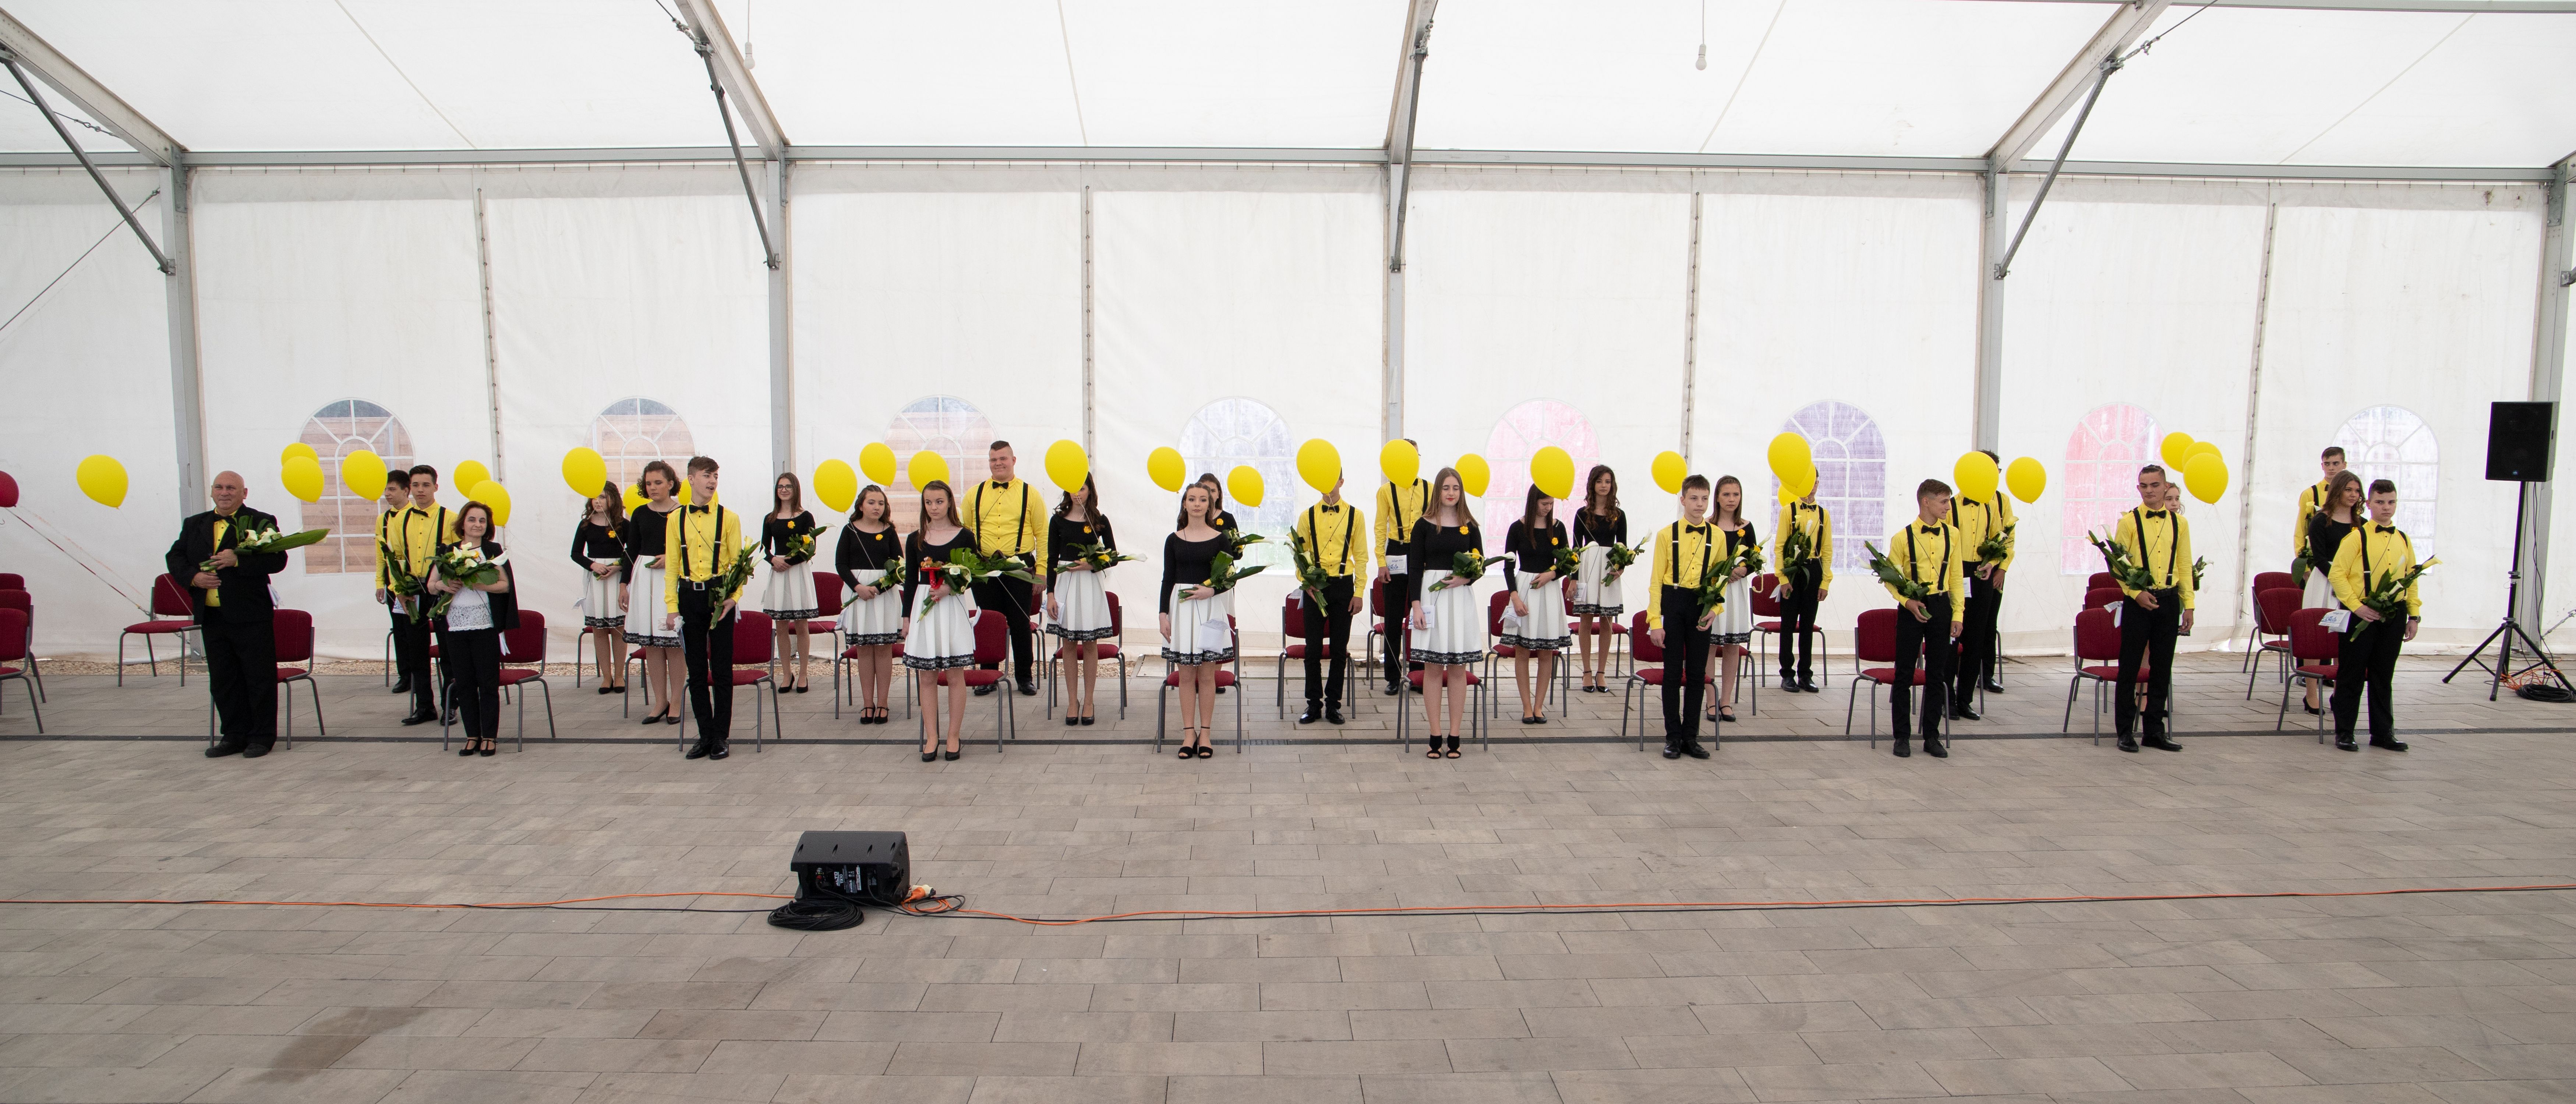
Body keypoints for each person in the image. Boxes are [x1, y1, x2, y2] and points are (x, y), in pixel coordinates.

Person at [167, 471, 288, 759]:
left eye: (231, 488)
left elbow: (278, 560)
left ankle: (261, 737)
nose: (225, 493)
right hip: (212, 615)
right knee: (224, 680)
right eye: (219, 487)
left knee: (258, 678)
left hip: (250, 614)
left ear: (244, 493)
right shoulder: (194, 524)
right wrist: (194, 578)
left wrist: (239, 561)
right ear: (212, 492)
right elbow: (175, 557)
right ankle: (233, 736)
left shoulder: (261, 521)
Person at [2326, 479, 2420, 753]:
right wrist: (2357, 607)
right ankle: (2345, 732)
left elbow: (2411, 578)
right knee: (2351, 674)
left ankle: (2382, 733)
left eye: (2391, 502)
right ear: (2368, 504)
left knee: (2383, 676)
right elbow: (2337, 575)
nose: (2386, 508)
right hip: (2361, 613)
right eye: (2380, 502)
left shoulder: (2404, 539)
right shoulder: (2356, 537)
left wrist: (2413, 616)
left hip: (2394, 614)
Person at [664, 456, 747, 761]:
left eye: (715, 477)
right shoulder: (675, 519)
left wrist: (733, 597)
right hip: (689, 597)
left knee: (722, 669)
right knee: (697, 671)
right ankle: (705, 735)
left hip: (719, 597)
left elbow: (738, 565)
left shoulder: (729, 518)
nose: (712, 482)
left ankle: (721, 736)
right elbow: (672, 566)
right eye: (707, 476)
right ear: (691, 479)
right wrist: (672, 607)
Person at [2112, 464, 2193, 754]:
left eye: (2155, 485)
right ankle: (2124, 731)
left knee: (2162, 667)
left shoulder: (2179, 524)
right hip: (2138, 602)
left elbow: (2184, 564)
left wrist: (2188, 605)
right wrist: (2136, 593)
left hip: (2168, 600)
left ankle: (2154, 731)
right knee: (2130, 667)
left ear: (2165, 487)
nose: (2149, 491)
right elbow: (2117, 564)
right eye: (2144, 486)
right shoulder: (2129, 522)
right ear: (2138, 488)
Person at [1884, 479, 1965, 759]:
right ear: (1926, 502)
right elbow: (1890, 578)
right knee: (1904, 673)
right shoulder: (1901, 538)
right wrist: (1907, 601)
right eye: (1944, 502)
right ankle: (1902, 736)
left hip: (1941, 605)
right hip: (1911, 608)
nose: (1948, 507)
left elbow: (1956, 577)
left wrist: (1958, 614)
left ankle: (1932, 736)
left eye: (1949, 501)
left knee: (1937, 674)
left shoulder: (1953, 535)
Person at [429, 500, 517, 757]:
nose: (477, 525)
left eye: (482, 521)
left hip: (485, 626)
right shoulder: (448, 552)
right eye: (472, 519)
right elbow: (432, 584)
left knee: (487, 683)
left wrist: (480, 584)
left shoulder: (493, 551)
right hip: (456, 627)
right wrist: (444, 586)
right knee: (464, 683)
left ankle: (489, 736)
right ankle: (472, 736)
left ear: (487, 526)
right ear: (463, 523)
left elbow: (505, 585)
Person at [1407, 468, 1485, 758]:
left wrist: (1465, 579)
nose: (1451, 493)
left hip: (1460, 601)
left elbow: (1480, 565)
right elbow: (1414, 568)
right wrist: (1416, 605)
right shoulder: (1422, 525)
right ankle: (1434, 734)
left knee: (1457, 669)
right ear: (1437, 491)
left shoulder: (1470, 526)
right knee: (1432, 668)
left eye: (1456, 488)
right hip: (1431, 598)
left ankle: (1455, 734)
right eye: (1446, 488)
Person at [904, 481, 980, 760]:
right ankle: (932, 737)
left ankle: (953, 736)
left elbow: (973, 573)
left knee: (955, 675)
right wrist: (906, 618)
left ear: (949, 503)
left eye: (939, 502)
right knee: (927, 676)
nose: (934, 507)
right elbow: (910, 580)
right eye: (928, 502)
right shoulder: (915, 539)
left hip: (952, 607)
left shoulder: (965, 536)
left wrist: (950, 588)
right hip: (924, 608)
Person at [1160, 482, 1233, 759]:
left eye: (1203, 500)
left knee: (1207, 675)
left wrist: (1211, 591)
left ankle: (1206, 734)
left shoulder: (1220, 539)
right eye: (1192, 499)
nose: (1197, 504)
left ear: (1210, 504)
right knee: (1186, 676)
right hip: (1182, 611)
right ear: (1185, 504)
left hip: (1210, 609)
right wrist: (1163, 615)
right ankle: (1188, 733)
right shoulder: (1173, 540)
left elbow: (1229, 579)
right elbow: (1168, 579)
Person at [1647, 475, 1718, 760]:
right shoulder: (1666, 535)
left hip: (1701, 606)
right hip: (1673, 602)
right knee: (1673, 673)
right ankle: (1673, 737)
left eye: (1704, 499)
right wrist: (1655, 622)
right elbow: (1655, 582)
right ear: (1683, 500)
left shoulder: (1718, 537)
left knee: (1697, 674)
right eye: (1694, 498)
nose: (1699, 504)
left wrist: (1715, 609)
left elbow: (1720, 580)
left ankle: (1691, 737)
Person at [969, 441, 1047, 698]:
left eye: (1003, 459)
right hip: (985, 568)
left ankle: (1024, 677)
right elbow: (965, 533)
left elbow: (1043, 535)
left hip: (1019, 567)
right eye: (994, 460)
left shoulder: (1030, 494)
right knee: (988, 622)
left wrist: (1042, 572)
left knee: (1019, 623)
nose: (998, 463)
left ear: (1014, 460)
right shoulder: (974, 494)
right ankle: (988, 676)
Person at [384, 464, 460, 726]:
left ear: (436, 487)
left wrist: (447, 586)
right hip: (412, 590)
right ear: (410, 488)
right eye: (416, 485)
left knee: (448, 650)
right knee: (416, 652)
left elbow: (459, 556)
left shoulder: (450, 518)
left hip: (440, 591)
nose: (420, 490)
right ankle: (424, 706)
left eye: (426, 485)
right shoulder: (399, 519)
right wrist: (399, 591)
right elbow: (394, 558)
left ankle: (451, 705)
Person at [1292, 473, 1370, 725]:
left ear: (1341, 482)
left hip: (1343, 586)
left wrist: (1359, 592)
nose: (1328, 484)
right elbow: (1299, 556)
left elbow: (1362, 557)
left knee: (1339, 650)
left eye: (1333, 479)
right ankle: (1313, 704)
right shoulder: (1307, 516)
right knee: (1312, 649)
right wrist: (1307, 582)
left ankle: (1333, 705)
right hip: (1315, 587)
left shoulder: (1356, 516)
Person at [1045, 474, 1118, 726]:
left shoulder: (1100, 520)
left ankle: (1089, 700)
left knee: (1090, 643)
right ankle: (1072, 701)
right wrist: (1050, 594)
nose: (1078, 493)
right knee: (1068, 643)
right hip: (1065, 583)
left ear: (1090, 490)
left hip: (1089, 583)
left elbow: (1113, 556)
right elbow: (1051, 558)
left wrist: (1092, 565)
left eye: (1083, 488)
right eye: (1074, 488)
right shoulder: (1057, 520)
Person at [1948, 450, 2017, 716]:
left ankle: (1965, 699)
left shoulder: (1993, 506)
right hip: (1957, 574)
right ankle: (1946, 698)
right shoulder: (1951, 506)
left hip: (1982, 573)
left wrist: (1994, 562)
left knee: (1977, 638)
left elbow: (2002, 539)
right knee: (1953, 638)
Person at [835, 484, 905, 726]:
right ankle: (867, 703)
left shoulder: (889, 531)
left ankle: (883, 702)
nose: (877, 507)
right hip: (858, 594)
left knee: (884, 649)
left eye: (881, 503)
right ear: (861, 505)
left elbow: (899, 567)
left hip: (883, 596)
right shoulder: (849, 530)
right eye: (872, 502)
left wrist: (878, 588)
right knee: (864, 650)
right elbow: (841, 564)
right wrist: (858, 587)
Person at [1499, 485, 1570, 725]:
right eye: (1544, 504)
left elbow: (1568, 561)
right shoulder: (1517, 528)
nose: (1548, 508)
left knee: (1546, 652)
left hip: (1549, 590)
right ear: (1533, 502)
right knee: (1522, 651)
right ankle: (1527, 707)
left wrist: (1553, 574)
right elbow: (1508, 566)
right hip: (1524, 589)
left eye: (1551, 504)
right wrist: (1515, 597)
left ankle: (1539, 706)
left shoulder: (1558, 527)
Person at [2298, 470, 2365, 714]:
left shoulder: (2362, 524)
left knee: (2343, 640)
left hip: (2351, 585)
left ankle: (2340, 694)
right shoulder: (2321, 520)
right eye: (2349, 490)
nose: (2353, 495)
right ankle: (2311, 694)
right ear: (2337, 490)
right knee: (2317, 639)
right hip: (2325, 583)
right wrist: (2339, 580)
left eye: (2357, 491)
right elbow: (2319, 559)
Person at [625, 461, 686, 727]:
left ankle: (677, 701)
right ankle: (659, 701)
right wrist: (624, 585)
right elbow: (631, 551)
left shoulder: (683, 513)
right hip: (645, 578)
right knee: (651, 643)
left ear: (671, 484)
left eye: (658, 483)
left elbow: (691, 549)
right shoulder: (639, 513)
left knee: (672, 642)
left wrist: (670, 557)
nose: (652, 488)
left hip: (672, 578)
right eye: (648, 483)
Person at [1374, 442, 1431, 695]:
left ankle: (1419, 674)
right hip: (1396, 551)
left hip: (1422, 553)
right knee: (1394, 617)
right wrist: (1381, 562)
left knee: (1420, 615)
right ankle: (1393, 677)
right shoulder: (1386, 491)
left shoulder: (1430, 488)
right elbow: (1380, 527)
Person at [1570, 465, 1628, 694]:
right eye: (1600, 481)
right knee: (1585, 620)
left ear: (1613, 485)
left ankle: (1601, 672)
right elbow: (1576, 548)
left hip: (1609, 570)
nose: (1604, 486)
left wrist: (1621, 567)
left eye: (1608, 481)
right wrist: (1574, 578)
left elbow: (1623, 546)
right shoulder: (1581, 514)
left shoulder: (1619, 515)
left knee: (1607, 621)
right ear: (1592, 484)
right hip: (1587, 568)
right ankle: (1586, 671)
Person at [1704, 476, 1757, 725]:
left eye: (1736, 495)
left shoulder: (1746, 527)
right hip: (1714, 590)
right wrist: (1721, 572)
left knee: (1732, 645)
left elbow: (1755, 559)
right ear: (1717, 497)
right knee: (1710, 644)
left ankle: (1726, 700)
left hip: (1736, 592)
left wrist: (1744, 570)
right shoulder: (1707, 525)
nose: (1731, 499)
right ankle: (1710, 699)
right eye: (1726, 494)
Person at [761, 472, 820, 694]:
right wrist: (773, 560)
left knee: (802, 625)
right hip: (778, 572)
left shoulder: (806, 517)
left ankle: (803, 673)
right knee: (781, 625)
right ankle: (787, 674)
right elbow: (764, 548)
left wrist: (789, 563)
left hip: (797, 572)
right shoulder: (770, 518)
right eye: (780, 487)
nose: (784, 490)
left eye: (788, 487)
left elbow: (811, 548)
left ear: (796, 489)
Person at [569, 482, 628, 696]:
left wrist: (617, 567)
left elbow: (634, 553)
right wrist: (593, 565)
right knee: (599, 630)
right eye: (595, 497)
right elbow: (576, 554)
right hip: (595, 579)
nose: (598, 501)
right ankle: (606, 676)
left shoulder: (623, 524)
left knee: (618, 629)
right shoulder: (585, 525)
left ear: (613, 499)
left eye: (603, 497)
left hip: (616, 578)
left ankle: (620, 675)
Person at [1772, 483, 1831, 694]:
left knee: (1808, 625)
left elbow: (1827, 550)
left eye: (1816, 482)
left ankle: (1806, 674)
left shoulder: (1824, 514)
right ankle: (1787, 674)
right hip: (1793, 570)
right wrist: (1783, 578)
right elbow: (1780, 547)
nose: (1813, 487)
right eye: (1809, 482)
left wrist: (1825, 582)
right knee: (1788, 625)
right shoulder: (1788, 511)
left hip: (1814, 570)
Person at [375, 470, 413, 696]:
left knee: (415, 629)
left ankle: (421, 672)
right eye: (386, 490)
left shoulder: (415, 515)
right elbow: (381, 554)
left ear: (406, 491)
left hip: (416, 580)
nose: (387, 494)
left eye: (392, 489)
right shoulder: (383, 519)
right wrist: (380, 582)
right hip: (394, 582)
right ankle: (405, 675)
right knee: (399, 629)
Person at [2293, 446, 2349, 574]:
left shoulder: (2352, 493)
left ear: (2344, 465)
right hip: (2317, 561)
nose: (2331, 468)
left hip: (2346, 561)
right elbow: (2301, 530)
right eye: (2327, 464)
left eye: (2336, 464)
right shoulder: (2310, 493)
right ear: (2322, 466)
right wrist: (2304, 567)